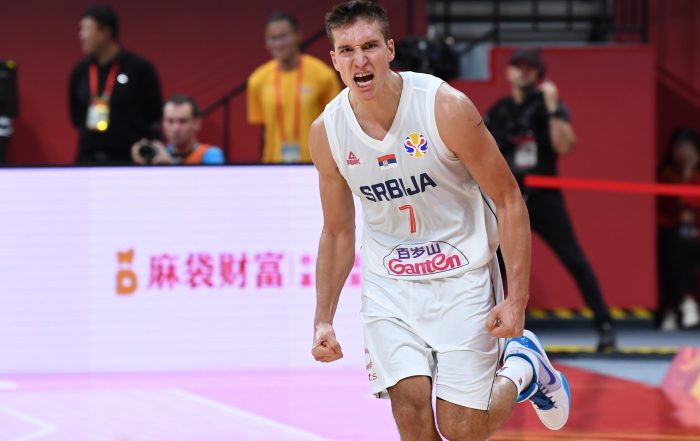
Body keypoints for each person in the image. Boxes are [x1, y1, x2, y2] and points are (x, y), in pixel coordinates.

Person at [309, 2, 571, 440]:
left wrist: (517, 299)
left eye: (370, 46)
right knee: (411, 417)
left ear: (390, 49)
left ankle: (524, 366)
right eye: (347, 50)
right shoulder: (327, 131)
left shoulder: (444, 107)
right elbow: (337, 231)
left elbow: (508, 199)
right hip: (390, 283)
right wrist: (323, 319)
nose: (360, 60)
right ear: (334, 59)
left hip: (463, 275)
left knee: (460, 428)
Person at [485, 49, 616, 352]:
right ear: (509, 71)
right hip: (509, 199)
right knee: (494, 265)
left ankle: (606, 325)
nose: (523, 72)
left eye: (530, 67)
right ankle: (489, 333)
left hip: (544, 198)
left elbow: (564, 145)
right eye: (518, 66)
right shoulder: (500, 111)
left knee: (574, 259)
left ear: (539, 73)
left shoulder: (549, 106)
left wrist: (554, 107)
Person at [69, 4, 162, 165]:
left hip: (129, 160)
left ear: (105, 32)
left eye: (86, 29)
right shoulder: (80, 71)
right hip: (88, 159)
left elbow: (154, 113)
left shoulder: (139, 68)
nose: (81, 35)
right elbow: (76, 117)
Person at [247, 12, 340, 164]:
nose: (278, 44)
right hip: (273, 165)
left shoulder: (324, 75)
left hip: (316, 164)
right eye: (273, 38)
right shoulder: (257, 80)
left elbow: (335, 124)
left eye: (283, 36)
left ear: (298, 35)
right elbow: (263, 129)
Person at [657, 127, 700, 330]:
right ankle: (682, 304)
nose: (683, 152)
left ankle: (683, 305)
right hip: (675, 235)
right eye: (679, 147)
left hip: (697, 234)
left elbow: (691, 205)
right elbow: (674, 205)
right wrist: (684, 174)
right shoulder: (666, 174)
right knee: (672, 247)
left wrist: (691, 172)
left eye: (687, 147)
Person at [131, 95, 225, 165]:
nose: (176, 128)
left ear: (197, 123)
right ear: (163, 123)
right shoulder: (158, 154)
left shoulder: (209, 154)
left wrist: (168, 165)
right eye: (170, 121)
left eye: (183, 121)